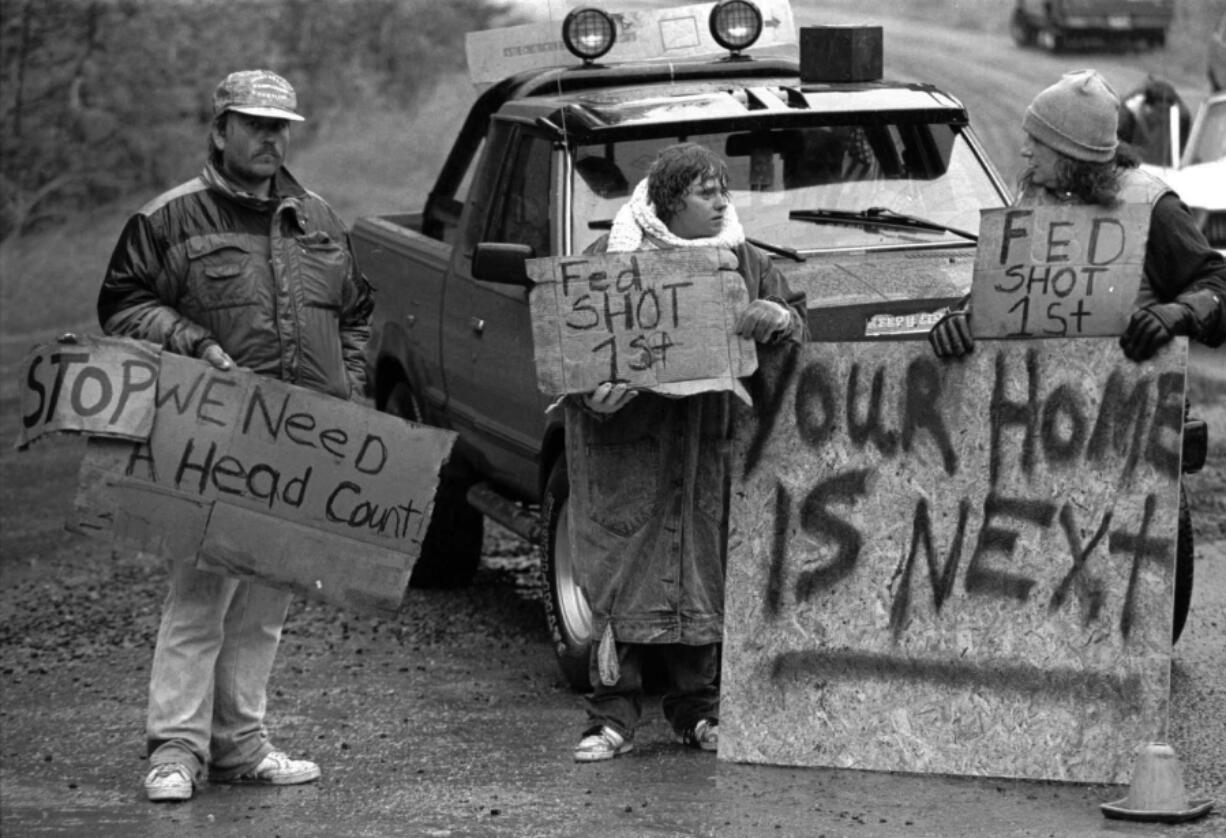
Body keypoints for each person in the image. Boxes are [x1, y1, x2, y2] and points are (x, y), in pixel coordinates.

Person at [97, 69, 373, 802]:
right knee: (198, 597)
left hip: (300, 443)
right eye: (254, 124)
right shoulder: (169, 218)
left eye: (280, 126)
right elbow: (123, 305)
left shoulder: (317, 216)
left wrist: (349, 396)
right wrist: (192, 342)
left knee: (266, 603)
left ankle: (240, 746)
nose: (269, 137)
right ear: (219, 130)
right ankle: (175, 752)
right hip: (211, 436)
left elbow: (356, 313)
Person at [566, 142, 808, 762]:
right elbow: (568, 354)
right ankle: (611, 717)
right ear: (670, 201)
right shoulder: (610, 261)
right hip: (630, 457)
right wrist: (595, 397)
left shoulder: (743, 259)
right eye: (707, 191)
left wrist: (776, 316)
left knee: (699, 576)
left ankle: (698, 712)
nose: (723, 201)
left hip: (704, 450)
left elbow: (798, 324)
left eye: (724, 189)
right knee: (623, 580)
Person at [929, 69, 1225, 362]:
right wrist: (962, 318)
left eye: (1037, 140)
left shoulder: (1153, 207)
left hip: (1128, 399)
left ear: (1071, 152)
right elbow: (1004, 292)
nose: (1024, 151)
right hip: (1038, 399)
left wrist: (1180, 312)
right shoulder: (1032, 199)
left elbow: (1217, 283)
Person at [1116, 75, 1192, 166]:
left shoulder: (1181, 116)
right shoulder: (1125, 115)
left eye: (1166, 112)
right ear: (1148, 108)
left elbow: (1178, 153)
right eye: (1160, 112)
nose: (1162, 117)